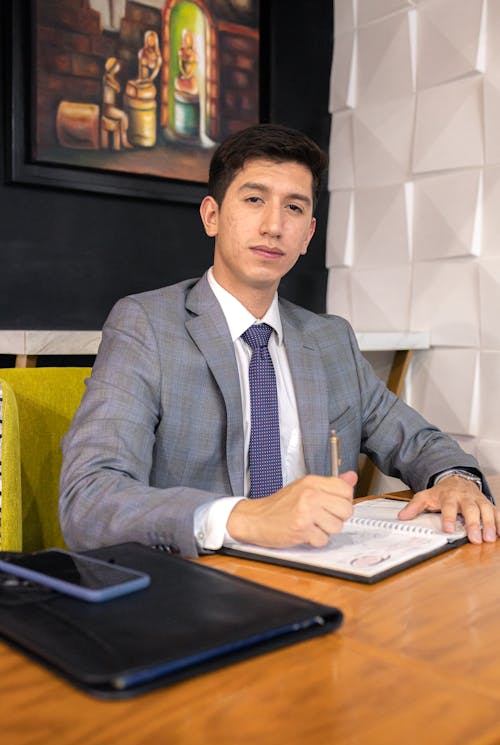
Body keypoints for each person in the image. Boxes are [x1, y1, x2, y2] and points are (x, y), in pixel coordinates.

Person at [59, 123, 499, 557]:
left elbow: (417, 440)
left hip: (328, 573)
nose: (274, 226)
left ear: (307, 234)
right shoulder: (147, 326)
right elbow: (90, 499)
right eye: (254, 199)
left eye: (293, 208)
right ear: (211, 216)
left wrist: (455, 480)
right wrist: (244, 518)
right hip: (199, 585)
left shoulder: (330, 339)